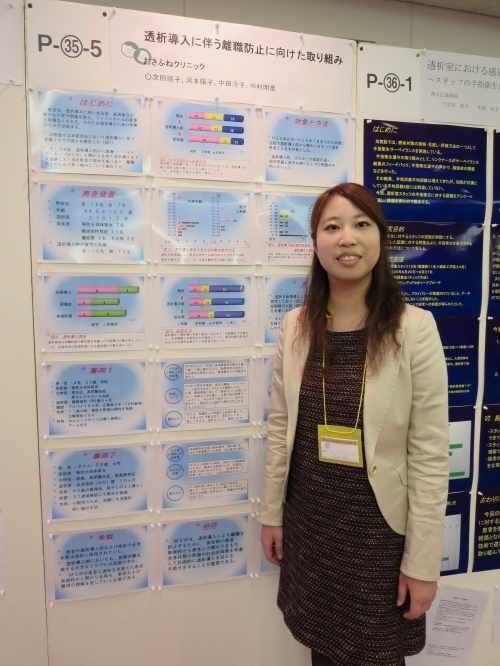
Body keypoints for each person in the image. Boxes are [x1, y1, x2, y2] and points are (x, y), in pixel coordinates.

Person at [259, 183, 449, 666]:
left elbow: (430, 456)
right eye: (332, 226)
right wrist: (271, 514)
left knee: (377, 654)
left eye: (361, 224)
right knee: (322, 651)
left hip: (379, 541)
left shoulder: (414, 329)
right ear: (316, 243)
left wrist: (423, 565)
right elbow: (281, 428)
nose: (347, 238)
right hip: (312, 529)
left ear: (379, 237)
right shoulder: (295, 327)